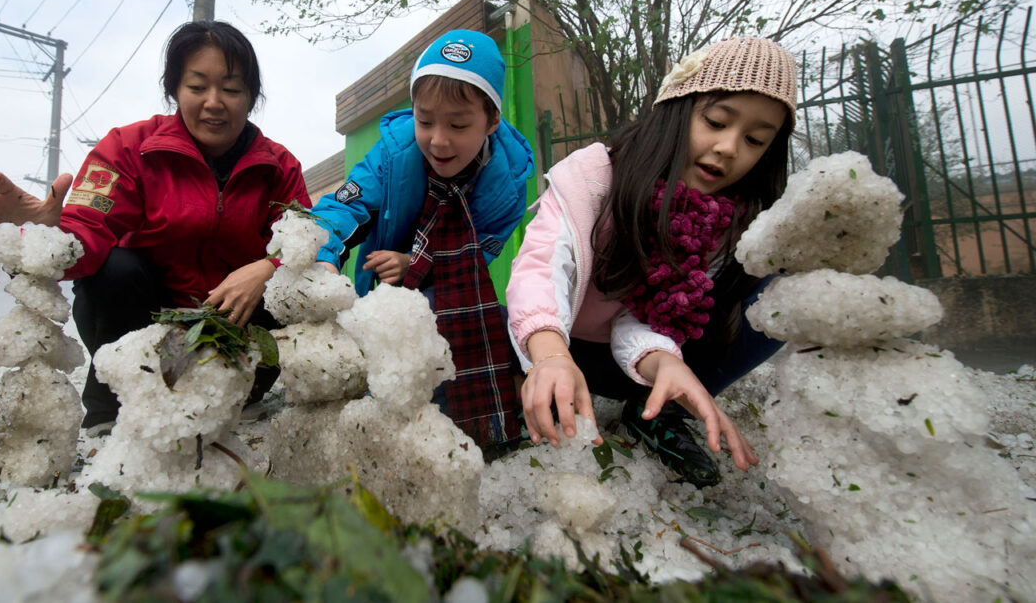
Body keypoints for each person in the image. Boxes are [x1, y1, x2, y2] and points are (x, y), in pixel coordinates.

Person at [0, 20, 311, 435]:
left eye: (231, 88)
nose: (213, 102)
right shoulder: (129, 150)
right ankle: (115, 405)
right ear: (174, 90)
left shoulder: (279, 165)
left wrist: (266, 267)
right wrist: (43, 236)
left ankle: (242, 395)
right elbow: (86, 237)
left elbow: (303, 242)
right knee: (116, 266)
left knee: (298, 284)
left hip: (237, 327)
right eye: (197, 86)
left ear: (251, 97)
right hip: (146, 326)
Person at [506, 37, 797, 487]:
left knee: (779, 287)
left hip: (634, 364)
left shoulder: (727, 224)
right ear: (677, 109)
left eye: (755, 140)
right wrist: (548, 355)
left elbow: (641, 319)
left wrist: (666, 365)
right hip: (553, 345)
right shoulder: (594, 178)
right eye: (717, 121)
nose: (728, 147)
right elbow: (541, 271)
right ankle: (532, 393)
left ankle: (660, 410)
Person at [311, 29, 534, 451]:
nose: (438, 139)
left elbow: (479, 261)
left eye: (458, 124)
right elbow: (342, 207)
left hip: (452, 297)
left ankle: (482, 422)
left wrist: (415, 262)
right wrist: (323, 258)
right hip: (382, 303)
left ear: (491, 121)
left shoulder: (508, 181)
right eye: (425, 120)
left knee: (507, 325)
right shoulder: (393, 157)